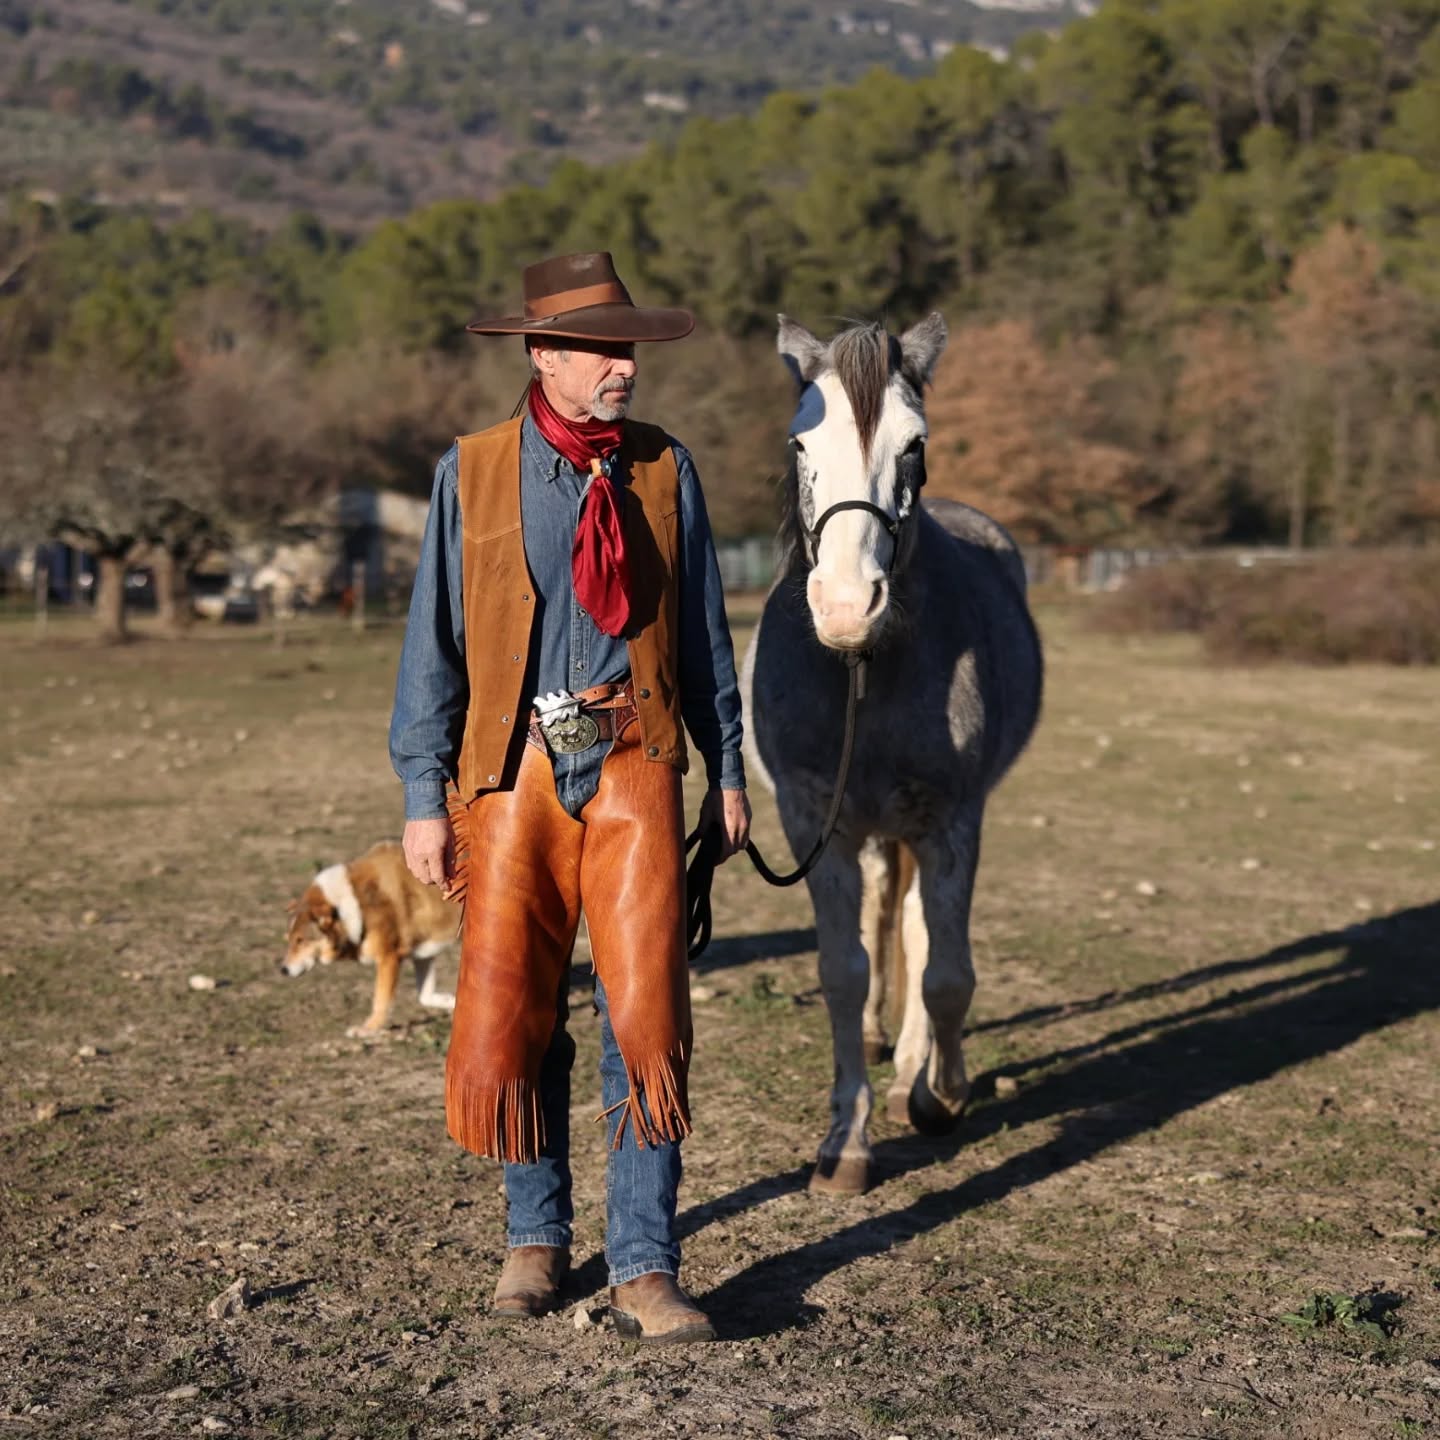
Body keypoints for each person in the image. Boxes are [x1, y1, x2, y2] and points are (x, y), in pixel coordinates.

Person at [389, 252, 750, 1345]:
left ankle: (644, 1264)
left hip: (636, 758)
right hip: (511, 774)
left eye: (628, 350)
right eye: (599, 351)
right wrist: (421, 790)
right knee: (516, 1015)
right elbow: (433, 642)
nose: (622, 369)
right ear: (542, 357)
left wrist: (728, 767)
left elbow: (703, 632)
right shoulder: (475, 470)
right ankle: (535, 1238)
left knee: (644, 1019)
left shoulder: (664, 468)